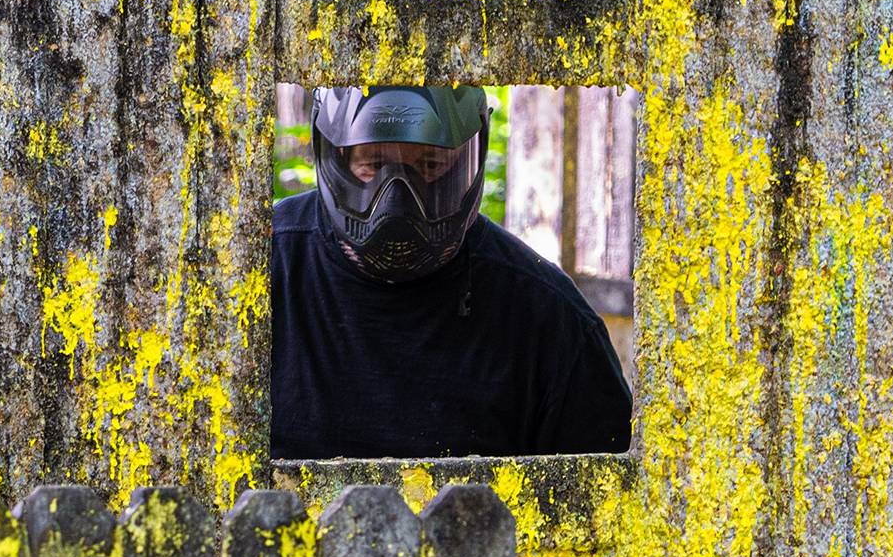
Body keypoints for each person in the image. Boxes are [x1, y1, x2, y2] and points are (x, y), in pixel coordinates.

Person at [270, 83, 632, 460]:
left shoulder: (549, 320)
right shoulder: (264, 275)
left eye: (431, 166)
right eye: (373, 165)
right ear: (336, 159)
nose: (396, 200)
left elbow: (611, 502)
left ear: (465, 162)